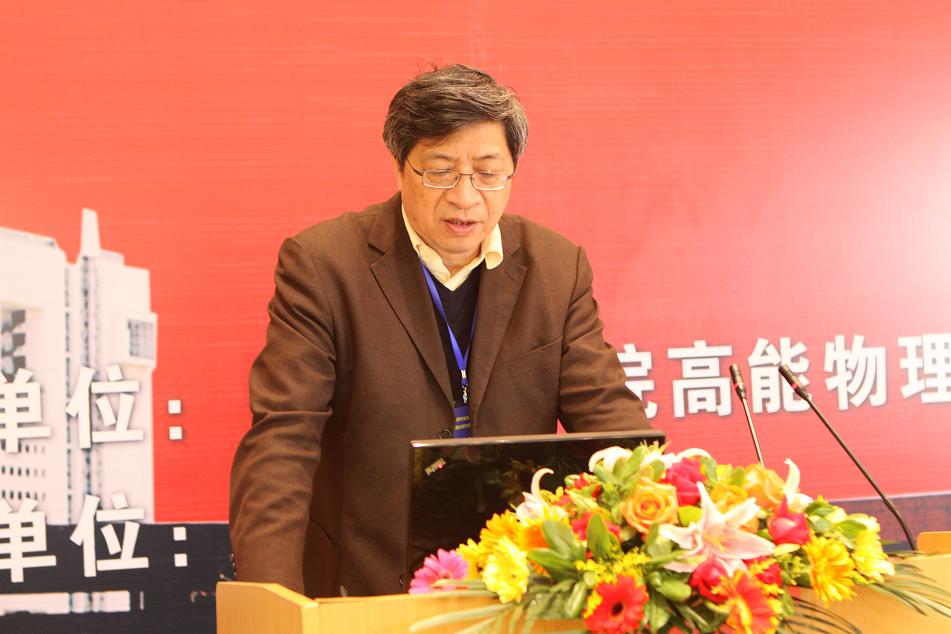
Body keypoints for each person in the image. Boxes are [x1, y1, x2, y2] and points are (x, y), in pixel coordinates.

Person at [229, 63, 650, 598]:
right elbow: (282, 440)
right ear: (400, 166)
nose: (465, 196)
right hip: (367, 582)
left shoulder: (555, 267)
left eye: (488, 172)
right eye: (440, 171)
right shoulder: (323, 265)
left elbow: (608, 419)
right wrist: (270, 602)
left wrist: (665, 516)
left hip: (517, 581)